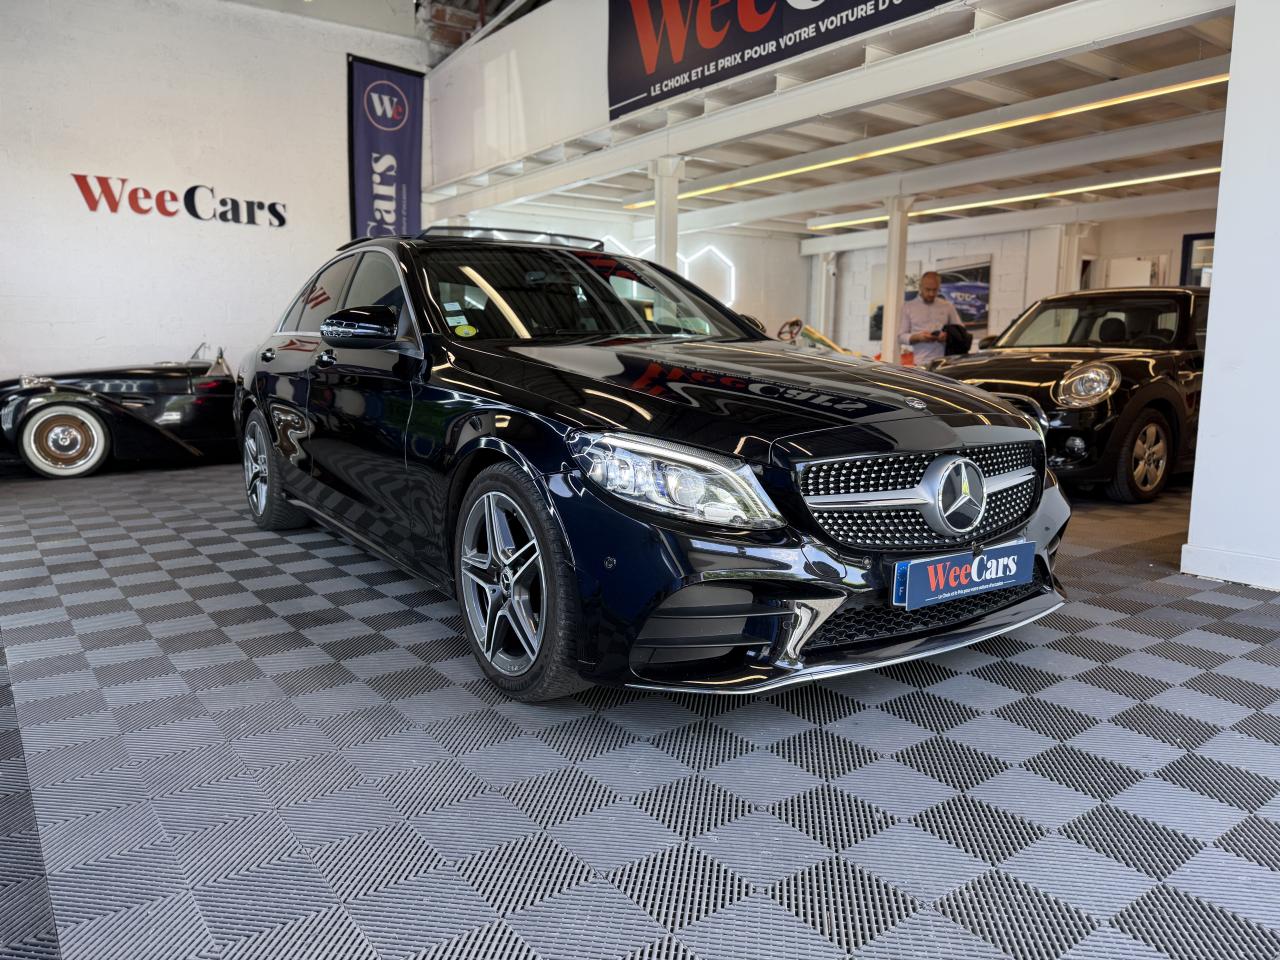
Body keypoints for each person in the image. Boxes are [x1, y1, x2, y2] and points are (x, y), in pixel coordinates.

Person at [898, 271, 963, 366]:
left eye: (935, 290)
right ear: (920, 287)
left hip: (945, 362)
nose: (931, 293)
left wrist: (947, 336)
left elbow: (960, 331)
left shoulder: (947, 306)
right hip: (920, 363)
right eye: (928, 290)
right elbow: (901, 337)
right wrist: (919, 337)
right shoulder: (908, 307)